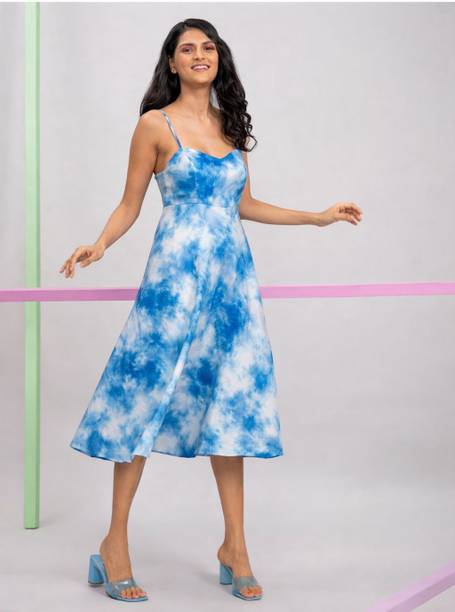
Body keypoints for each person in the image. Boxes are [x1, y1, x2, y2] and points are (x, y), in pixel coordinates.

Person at [60, 18, 362, 604]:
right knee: (143, 399)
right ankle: (114, 542)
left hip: (231, 288)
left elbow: (244, 205)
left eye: (207, 47)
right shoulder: (155, 124)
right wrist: (100, 243)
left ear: (218, 58)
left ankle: (235, 547)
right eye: (187, 49)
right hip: (173, 283)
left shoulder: (230, 127)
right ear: (171, 63)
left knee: (231, 404)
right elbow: (130, 203)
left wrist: (317, 217)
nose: (199, 55)